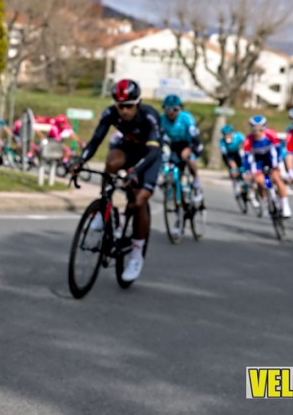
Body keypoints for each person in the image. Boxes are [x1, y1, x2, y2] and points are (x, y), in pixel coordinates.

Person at [71, 79, 161, 282]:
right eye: (120, 106)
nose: (124, 111)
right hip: (129, 148)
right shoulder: (111, 113)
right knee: (111, 162)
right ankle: (104, 209)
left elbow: (154, 150)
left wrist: (135, 171)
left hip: (149, 155)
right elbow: (96, 140)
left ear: (137, 103)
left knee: (139, 202)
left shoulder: (149, 116)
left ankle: (136, 255)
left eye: (128, 106)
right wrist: (81, 160)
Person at [244, 115, 292, 218]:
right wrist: (247, 171)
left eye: (260, 129)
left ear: (264, 128)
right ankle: (266, 203)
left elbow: (278, 151)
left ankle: (285, 205)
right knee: (260, 181)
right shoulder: (249, 140)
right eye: (254, 130)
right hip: (258, 162)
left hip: (271, 159)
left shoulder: (271, 135)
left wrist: (277, 164)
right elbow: (247, 157)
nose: (257, 132)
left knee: (276, 178)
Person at [159, 94, 204, 203]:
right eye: (167, 109)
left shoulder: (186, 117)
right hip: (174, 145)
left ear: (180, 109)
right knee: (170, 167)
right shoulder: (162, 119)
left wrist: (191, 148)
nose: (171, 112)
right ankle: (175, 193)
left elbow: (194, 136)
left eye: (175, 109)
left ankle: (196, 183)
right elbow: (158, 138)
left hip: (189, 143)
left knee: (188, 158)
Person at [220, 124, 256, 205]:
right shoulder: (222, 142)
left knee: (244, 170)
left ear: (232, 133)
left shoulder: (238, 136)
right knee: (233, 170)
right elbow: (225, 155)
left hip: (237, 154)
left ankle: (250, 192)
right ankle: (235, 186)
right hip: (228, 156)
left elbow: (246, 144)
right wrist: (232, 167)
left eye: (228, 134)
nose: (226, 137)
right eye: (225, 135)